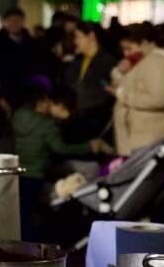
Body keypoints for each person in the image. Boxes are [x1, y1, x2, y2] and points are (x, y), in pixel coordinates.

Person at [13, 84, 101, 241]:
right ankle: (34, 247)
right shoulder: (47, 125)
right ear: (43, 102)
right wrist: (87, 147)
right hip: (36, 173)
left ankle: (20, 241)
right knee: (32, 213)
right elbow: (60, 148)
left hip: (17, 170)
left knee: (21, 212)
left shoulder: (18, 116)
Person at [108, 23, 164, 156]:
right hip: (141, 139)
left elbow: (159, 99)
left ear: (144, 43)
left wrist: (123, 94)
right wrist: (119, 73)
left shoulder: (159, 63)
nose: (126, 53)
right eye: (123, 49)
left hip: (152, 139)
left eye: (129, 48)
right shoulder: (142, 61)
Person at [60, 22, 117, 143]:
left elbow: (106, 95)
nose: (75, 41)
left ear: (91, 36)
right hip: (76, 120)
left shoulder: (108, 62)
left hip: (95, 125)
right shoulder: (77, 60)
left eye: (78, 37)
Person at [0, 7, 36, 118]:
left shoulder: (32, 45)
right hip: (4, 97)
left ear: (23, 22)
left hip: (29, 96)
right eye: (11, 20)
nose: (14, 24)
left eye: (18, 20)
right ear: (5, 22)